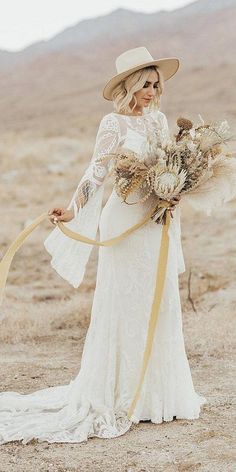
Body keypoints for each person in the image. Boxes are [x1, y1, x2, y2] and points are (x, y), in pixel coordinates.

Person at [0, 46, 207, 445]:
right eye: (145, 84)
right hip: (123, 220)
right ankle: (121, 394)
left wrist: (176, 191)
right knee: (125, 303)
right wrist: (75, 209)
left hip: (155, 222)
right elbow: (96, 173)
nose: (151, 90)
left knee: (158, 300)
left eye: (155, 83)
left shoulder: (161, 121)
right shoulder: (112, 124)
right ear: (129, 85)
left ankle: (157, 396)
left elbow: (172, 166)